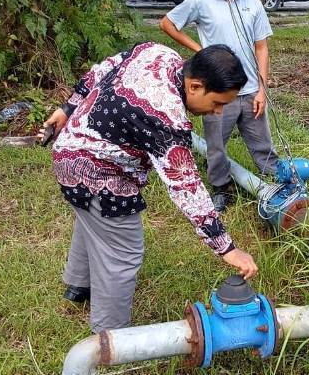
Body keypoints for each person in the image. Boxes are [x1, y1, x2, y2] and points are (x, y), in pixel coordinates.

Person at [39, 42, 259, 333]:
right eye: (217, 103)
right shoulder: (166, 119)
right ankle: (110, 337)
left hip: (71, 147)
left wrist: (68, 107)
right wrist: (227, 248)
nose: (218, 113)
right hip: (98, 171)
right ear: (194, 86)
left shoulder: (158, 52)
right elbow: (187, 188)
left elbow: (102, 68)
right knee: (123, 251)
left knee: (93, 219)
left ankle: (77, 287)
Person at [159, 0, 278, 212]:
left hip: (249, 91)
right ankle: (221, 188)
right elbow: (167, 23)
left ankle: (276, 181)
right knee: (216, 146)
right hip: (218, 93)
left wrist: (262, 89)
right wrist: (199, 49)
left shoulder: (253, 4)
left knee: (263, 144)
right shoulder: (201, 1)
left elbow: (262, 48)